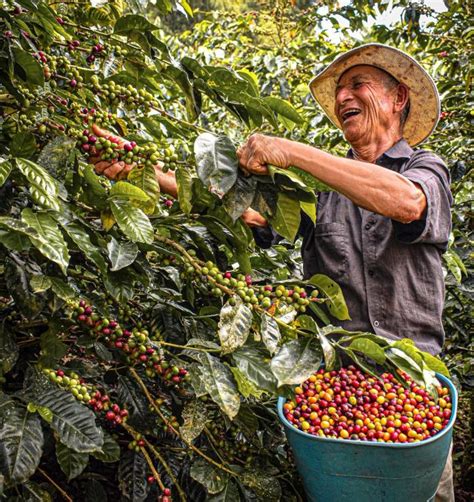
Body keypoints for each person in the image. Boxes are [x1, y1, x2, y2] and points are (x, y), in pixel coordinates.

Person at [91, 43, 453, 501]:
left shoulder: (426, 169)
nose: (344, 98)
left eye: (357, 85)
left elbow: (405, 202)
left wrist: (293, 152)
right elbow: (249, 212)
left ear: (398, 98)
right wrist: (141, 170)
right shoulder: (320, 193)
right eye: (339, 90)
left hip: (414, 386)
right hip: (337, 390)